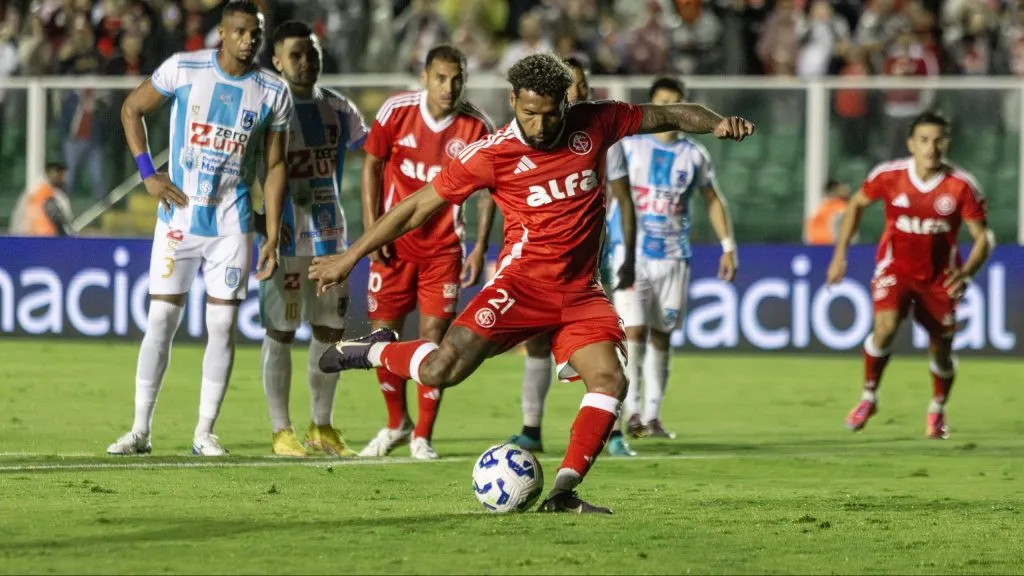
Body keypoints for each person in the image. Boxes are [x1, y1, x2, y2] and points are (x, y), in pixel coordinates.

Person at [310, 53, 753, 513]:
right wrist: (351, 256)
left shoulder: (598, 121)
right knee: (443, 370)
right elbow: (418, 205)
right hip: (520, 287)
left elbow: (670, 113)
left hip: (581, 293)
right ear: (513, 101)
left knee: (610, 380)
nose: (540, 127)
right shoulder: (491, 154)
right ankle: (367, 350)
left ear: (568, 101)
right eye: (529, 114)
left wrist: (718, 123)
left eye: (550, 113)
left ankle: (562, 492)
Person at [107, 1, 292, 456]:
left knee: (223, 325)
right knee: (162, 320)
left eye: (257, 33)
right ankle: (139, 430)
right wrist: (148, 173)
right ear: (223, 34)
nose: (250, 40)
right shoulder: (184, 69)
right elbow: (132, 109)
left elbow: (275, 165)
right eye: (242, 31)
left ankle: (204, 432)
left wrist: (272, 233)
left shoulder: (273, 91)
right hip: (179, 218)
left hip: (231, 223)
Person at [359, 44, 496, 460]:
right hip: (394, 245)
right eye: (440, 78)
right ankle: (395, 422)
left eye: (456, 79)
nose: (448, 87)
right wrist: (372, 229)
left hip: (444, 251)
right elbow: (371, 165)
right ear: (425, 77)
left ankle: (422, 435)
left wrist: (480, 247)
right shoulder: (395, 111)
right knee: (384, 337)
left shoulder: (476, 127)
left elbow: (491, 193)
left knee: (434, 342)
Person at [827, 110, 992, 440]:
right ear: (911, 144)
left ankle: (937, 408)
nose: (931, 148)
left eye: (938, 140)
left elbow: (983, 238)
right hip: (895, 268)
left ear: (947, 142)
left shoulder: (961, 186)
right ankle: (868, 397)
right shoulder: (889, 176)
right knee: (885, 328)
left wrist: (967, 273)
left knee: (941, 351)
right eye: (924, 140)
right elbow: (856, 204)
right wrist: (840, 254)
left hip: (939, 278)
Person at [507, 56, 639, 457]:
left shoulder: (597, 132)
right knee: (534, 344)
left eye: (581, 85)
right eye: (572, 86)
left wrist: (627, 254)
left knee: (605, 344)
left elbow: (623, 199)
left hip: (591, 258)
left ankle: (611, 431)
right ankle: (531, 428)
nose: (577, 92)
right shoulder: (529, 139)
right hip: (539, 261)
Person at [256, 21, 368, 457]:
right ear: (278, 62)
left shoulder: (341, 109)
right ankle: (281, 430)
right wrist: (258, 224)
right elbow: (248, 172)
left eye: (313, 53)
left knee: (329, 330)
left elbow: (374, 156)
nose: (307, 62)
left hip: (330, 239)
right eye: (297, 55)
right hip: (283, 241)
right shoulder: (266, 111)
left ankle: (321, 427)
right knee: (280, 331)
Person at [606, 76, 737, 441]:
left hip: (674, 256)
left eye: (674, 103)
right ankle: (631, 412)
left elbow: (713, 199)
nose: (667, 110)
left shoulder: (694, 154)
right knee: (632, 330)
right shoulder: (629, 146)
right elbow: (610, 196)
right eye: (661, 103)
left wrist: (728, 245)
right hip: (632, 252)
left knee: (662, 336)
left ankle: (653, 416)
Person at [9, 162, 73, 236]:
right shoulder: (41, 193)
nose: (64, 179)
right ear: (51, 173)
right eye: (61, 174)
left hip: (36, 239)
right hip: (41, 239)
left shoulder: (36, 192)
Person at [805, 179, 851, 245]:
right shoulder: (839, 207)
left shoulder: (824, 207)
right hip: (829, 245)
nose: (846, 191)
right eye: (842, 189)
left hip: (819, 245)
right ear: (833, 191)